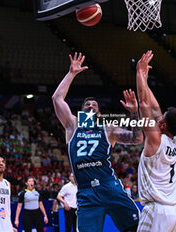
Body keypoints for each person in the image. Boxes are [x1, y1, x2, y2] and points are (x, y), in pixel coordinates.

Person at [52, 52, 143, 232]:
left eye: (95, 105)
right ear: (81, 111)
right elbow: (56, 99)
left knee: (136, 228)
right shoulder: (72, 125)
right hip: (86, 193)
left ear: (99, 113)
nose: (91, 106)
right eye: (87, 105)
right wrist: (71, 73)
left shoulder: (108, 128)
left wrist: (134, 112)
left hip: (109, 186)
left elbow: (137, 138)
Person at [135, 50, 176, 232]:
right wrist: (145, 77)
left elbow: (144, 104)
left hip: (157, 210)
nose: (159, 116)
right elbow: (155, 106)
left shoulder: (155, 140)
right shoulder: (175, 141)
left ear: (164, 125)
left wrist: (138, 73)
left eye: (162, 117)